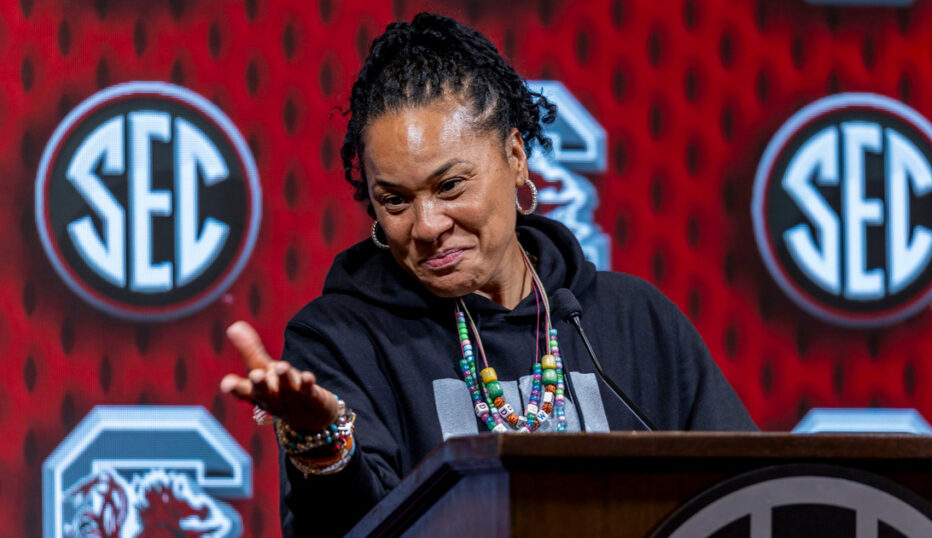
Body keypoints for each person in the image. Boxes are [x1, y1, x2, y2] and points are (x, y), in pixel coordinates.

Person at [219, 12, 756, 535]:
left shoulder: (634, 320)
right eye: (395, 200)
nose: (426, 226)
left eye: (450, 186)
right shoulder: (339, 340)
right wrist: (325, 446)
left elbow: (753, 496)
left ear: (516, 157)